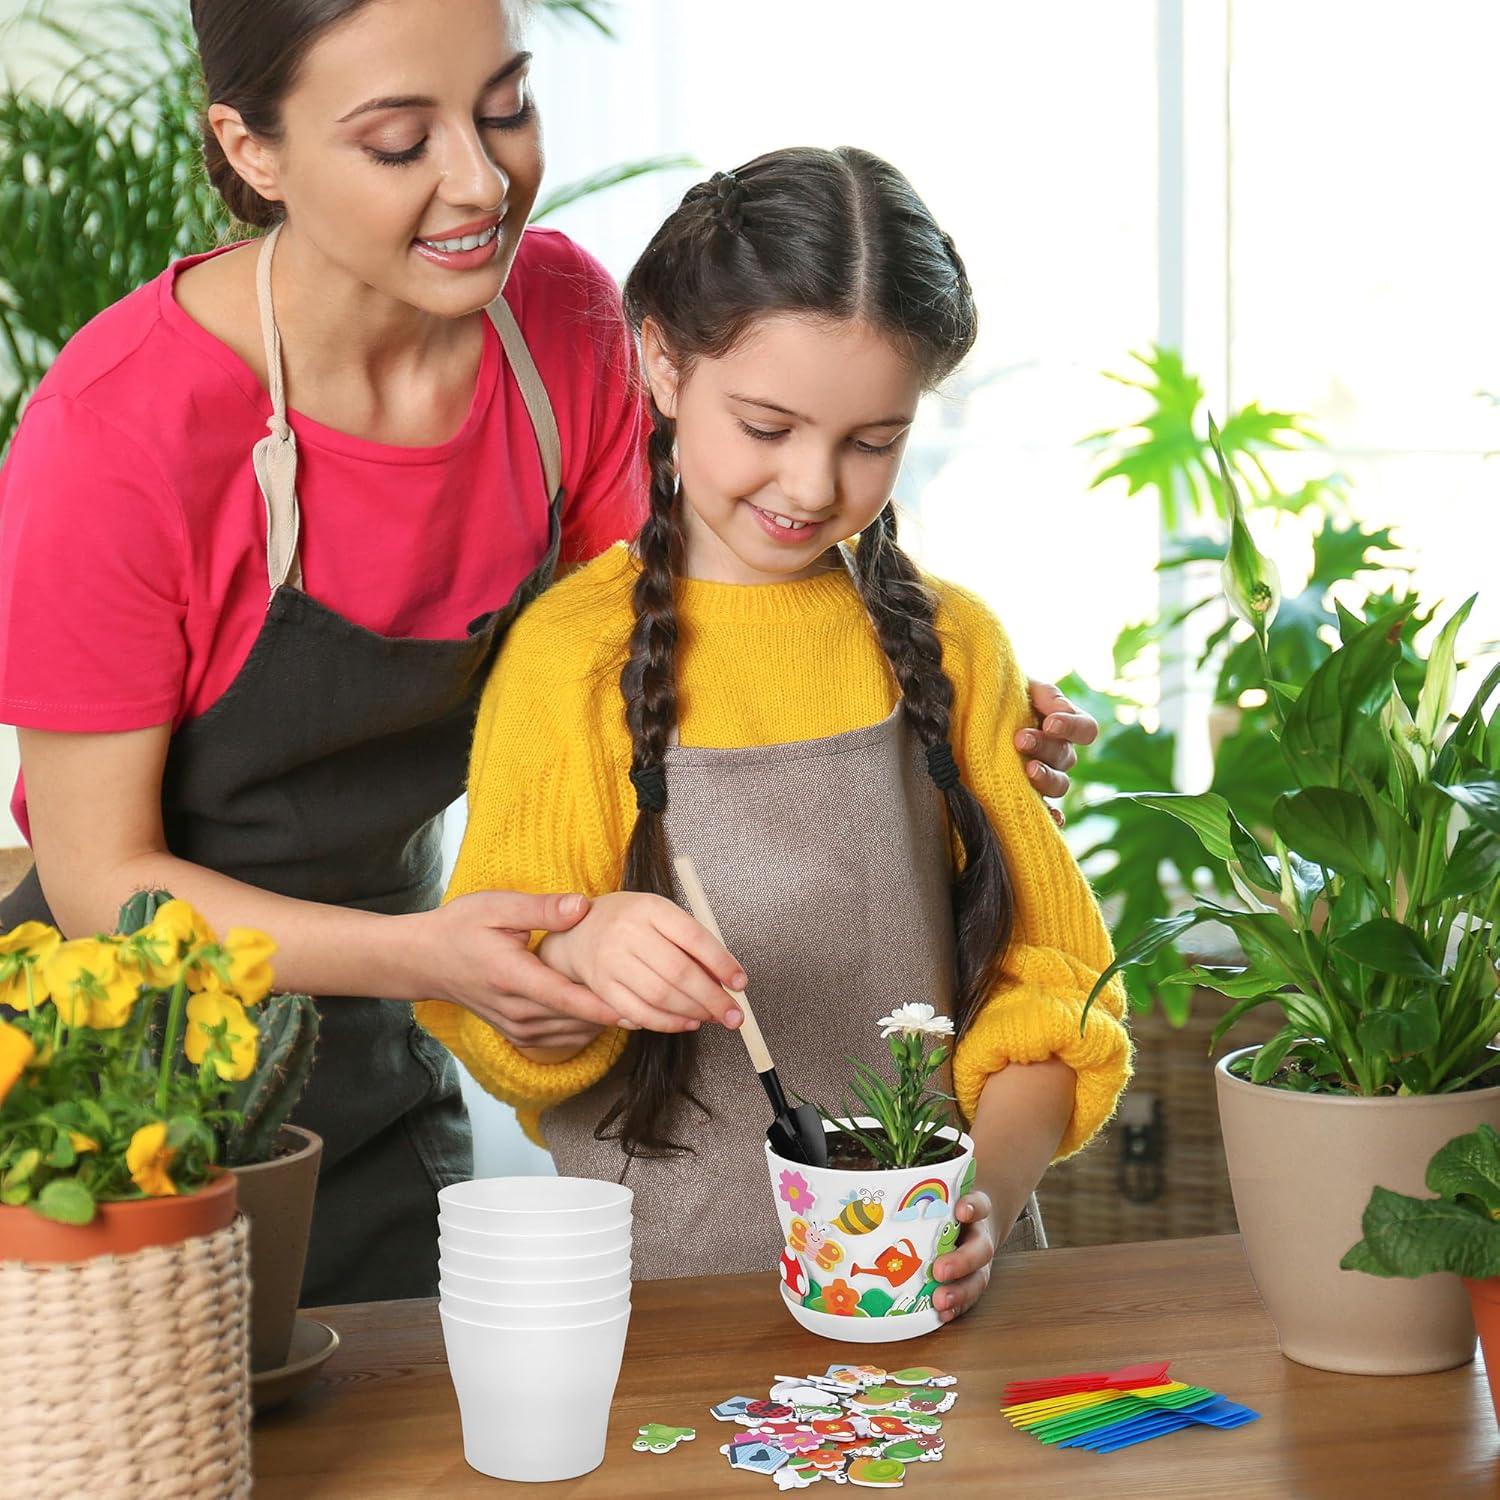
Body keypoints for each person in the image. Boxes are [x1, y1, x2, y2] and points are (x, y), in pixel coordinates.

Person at [0, 1, 1094, 1305]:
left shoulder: (557, 327)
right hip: (110, 1077)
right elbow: (98, 883)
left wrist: (942, 715)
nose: (481, 180)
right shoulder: (118, 433)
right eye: (401, 141)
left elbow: (676, 636)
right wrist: (437, 954)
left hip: (384, 1045)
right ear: (254, 149)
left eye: (505, 105)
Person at [416, 147, 1133, 1321]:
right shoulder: (570, 659)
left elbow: (1051, 987)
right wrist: (582, 960)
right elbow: (498, 1021)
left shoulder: (954, 644)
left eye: (870, 441)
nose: (810, 485)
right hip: (667, 1324)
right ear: (660, 361)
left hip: (944, 1304)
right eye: (766, 424)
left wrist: (984, 1198)